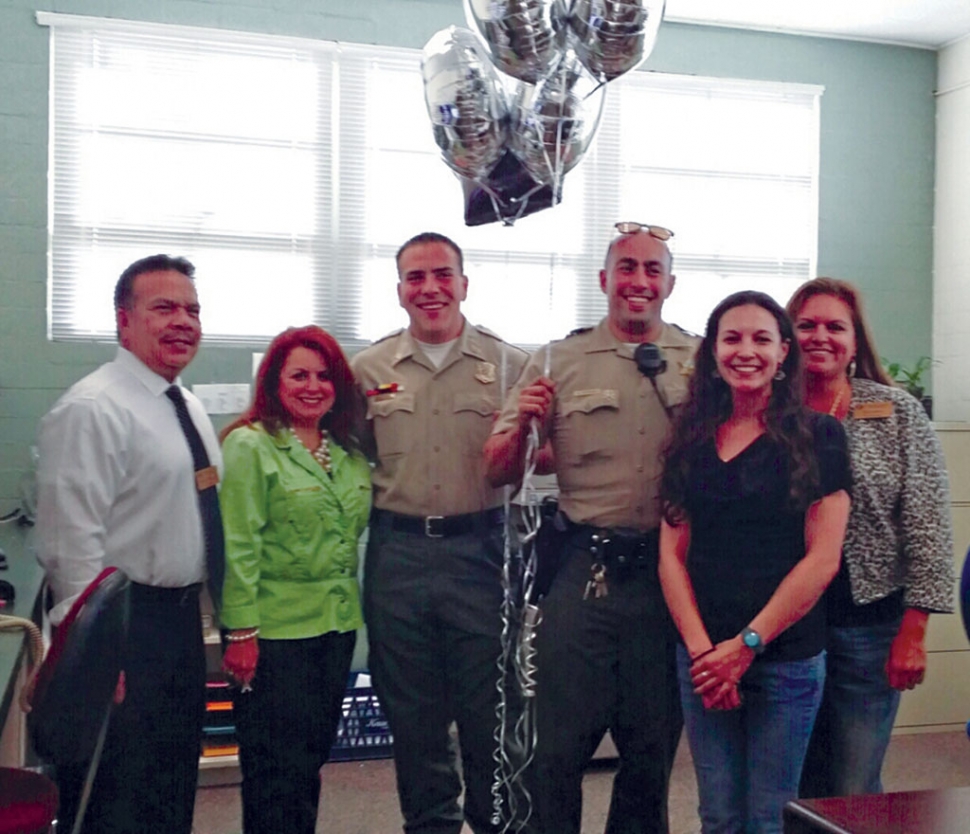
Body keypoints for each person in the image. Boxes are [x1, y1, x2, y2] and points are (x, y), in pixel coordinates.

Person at [485, 222, 696, 834]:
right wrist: (525, 428)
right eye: (627, 268)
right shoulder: (559, 360)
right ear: (604, 279)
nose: (639, 281)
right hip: (585, 571)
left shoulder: (701, 361)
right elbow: (497, 469)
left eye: (653, 270)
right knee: (555, 749)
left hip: (669, 575)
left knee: (650, 753)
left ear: (670, 284)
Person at [350, 232, 528, 834]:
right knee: (412, 714)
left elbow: (538, 454)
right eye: (416, 277)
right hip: (397, 557)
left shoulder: (509, 366)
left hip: (481, 553)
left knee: (490, 712)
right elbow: (353, 455)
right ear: (400, 289)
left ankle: (493, 823)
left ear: (464, 284)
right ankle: (429, 825)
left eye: (442, 275)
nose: (430, 288)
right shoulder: (368, 370)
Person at [36, 254, 220, 834]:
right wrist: (93, 656)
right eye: (164, 308)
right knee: (114, 796)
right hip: (121, 631)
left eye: (192, 310)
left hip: (178, 625)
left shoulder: (185, 406)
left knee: (169, 786)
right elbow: (69, 541)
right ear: (124, 321)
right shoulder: (93, 408)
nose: (183, 321)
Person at [657, 290, 851, 834]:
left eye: (762, 338)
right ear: (713, 352)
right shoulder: (689, 437)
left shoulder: (821, 435)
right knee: (718, 814)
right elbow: (671, 556)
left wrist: (745, 646)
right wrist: (704, 655)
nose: (746, 351)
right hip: (702, 659)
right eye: (732, 338)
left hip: (785, 658)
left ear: (784, 351)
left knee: (769, 817)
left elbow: (822, 559)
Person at [786, 277, 954, 798]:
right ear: (787, 337)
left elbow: (928, 524)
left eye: (835, 327)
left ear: (855, 340)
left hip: (870, 625)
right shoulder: (766, 411)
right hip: (785, 628)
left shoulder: (896, 412)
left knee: (852, 784)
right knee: (787, 782)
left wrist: (914, 631)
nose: (820, 336)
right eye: (806, 325)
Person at [218, 325, 371, 834]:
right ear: (274, 382)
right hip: (274, 635)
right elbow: (238, 544)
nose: (313, 386)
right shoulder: (250, 445)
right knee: (272, 770)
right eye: (299, 375)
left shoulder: (347, 452)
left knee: (308, 762)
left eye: (324, 376)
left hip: (335, 628)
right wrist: (241, 632)